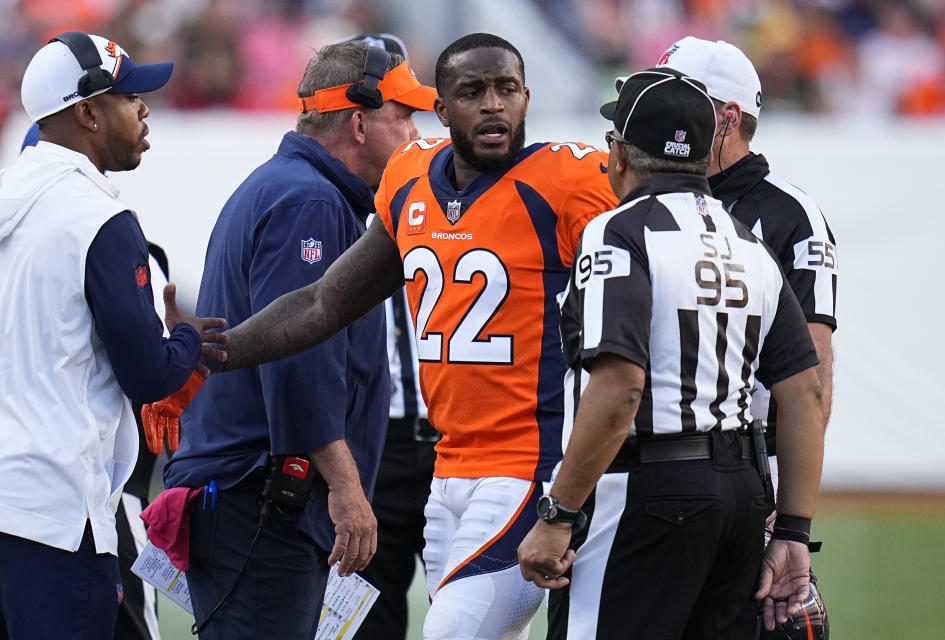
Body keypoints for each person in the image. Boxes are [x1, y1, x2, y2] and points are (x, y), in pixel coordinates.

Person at [152, 31, 619, 640]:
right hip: (444, 472)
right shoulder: (404, 181)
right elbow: (322, 304)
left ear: (527, 98)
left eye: (506, 89)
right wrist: (211, 352)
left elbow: (668, 228)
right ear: (442, 110)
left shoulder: (569, 176)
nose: (493, 105)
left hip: (526, 463)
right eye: (471, 92)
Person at [515, 68, 826, 639]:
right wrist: (794, 532)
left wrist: (558, 515)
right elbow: (805, 392)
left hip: (645, 487)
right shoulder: (749, 242)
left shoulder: (618, 231)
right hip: (741, 493)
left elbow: (619, 389)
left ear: (619, 153)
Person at [160, 40, 435, 639]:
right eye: (403, 116)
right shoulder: (309, 199)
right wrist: (345, 487)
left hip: (250, 490)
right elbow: (297, 360)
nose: (416, 134)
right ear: (360, 123)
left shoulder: (298, 188)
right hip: (260, 493)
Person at [0, 31, 225, 639]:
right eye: (130, 95)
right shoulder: (96, 215)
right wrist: (187, 343)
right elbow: (149, 373)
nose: (145, 108)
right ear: (88, 111)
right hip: (56, 511)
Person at [656, 36, 836, 637]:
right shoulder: (641, 198)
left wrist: (787, 519)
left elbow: (812, 377)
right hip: (646, 467)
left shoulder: (788, 214)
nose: (659, 111)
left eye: (676, 98)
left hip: (740, 470)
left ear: (726, 117)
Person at [346, 33, 440, 640]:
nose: (411, 129)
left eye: (413, 114)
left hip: (448, 438)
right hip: (372, 443)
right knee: (366, 617)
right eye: (398, 114)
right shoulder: (327, 203)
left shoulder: (444, 189)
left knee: (473, 613)